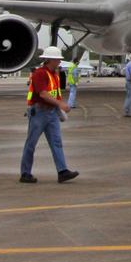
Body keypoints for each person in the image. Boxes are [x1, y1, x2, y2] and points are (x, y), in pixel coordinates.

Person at [20, 45, 78, 184]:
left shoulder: (54, 75)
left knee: (56, 142)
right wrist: (61, 105)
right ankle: (25, 173)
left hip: (51, 113)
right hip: (39, 112)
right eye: (57, 59)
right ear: (50, 60)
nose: (59, 62)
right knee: (31, 143)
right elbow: (43, 94)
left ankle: (62, 171)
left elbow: (55, 95)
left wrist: (59, 111)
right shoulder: (40, 74)